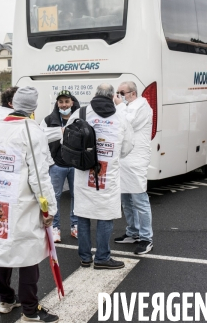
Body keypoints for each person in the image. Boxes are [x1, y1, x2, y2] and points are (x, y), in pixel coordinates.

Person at [0, 86, 59, 322]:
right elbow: (40, 177)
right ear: (33, 108)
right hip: (23, 204)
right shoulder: (33, 132)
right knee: (28, 255)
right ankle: (31, 311)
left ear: (13, 104)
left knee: (3, 251)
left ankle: (7, 299)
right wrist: (49, 208)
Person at [66, 83, 134, 269]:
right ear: (112, 96)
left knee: (82, 213)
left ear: (95, 94)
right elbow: (128, 145)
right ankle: (103, 257)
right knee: (105, 215)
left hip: (83, 171)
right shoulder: (120, 116)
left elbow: (69, 137)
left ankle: (85, 257)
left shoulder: (81, 112)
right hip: (108, 172)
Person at [112, 81, 154, 255]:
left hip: (136, 160)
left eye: (122, 92)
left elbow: (128, 124)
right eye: (118, 93)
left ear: (132, 93)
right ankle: (133, 232)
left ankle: (146, 238)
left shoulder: (142, 107)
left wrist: (120, 106)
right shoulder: (128, 106)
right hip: (124, 159)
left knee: (139, 200)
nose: (119, 96)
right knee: (126, 200)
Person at [40, 89, 80, 242]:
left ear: (72, 103)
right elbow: (41, 138)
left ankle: (75, 225)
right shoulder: (49, 120)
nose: (64, 105)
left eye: (67, 102)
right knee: (54, 196)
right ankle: (55, 227)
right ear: (57, 104)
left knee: (76, 196)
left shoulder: (79, 118)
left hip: (75, 165)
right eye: (61, 102)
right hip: (57, 165)